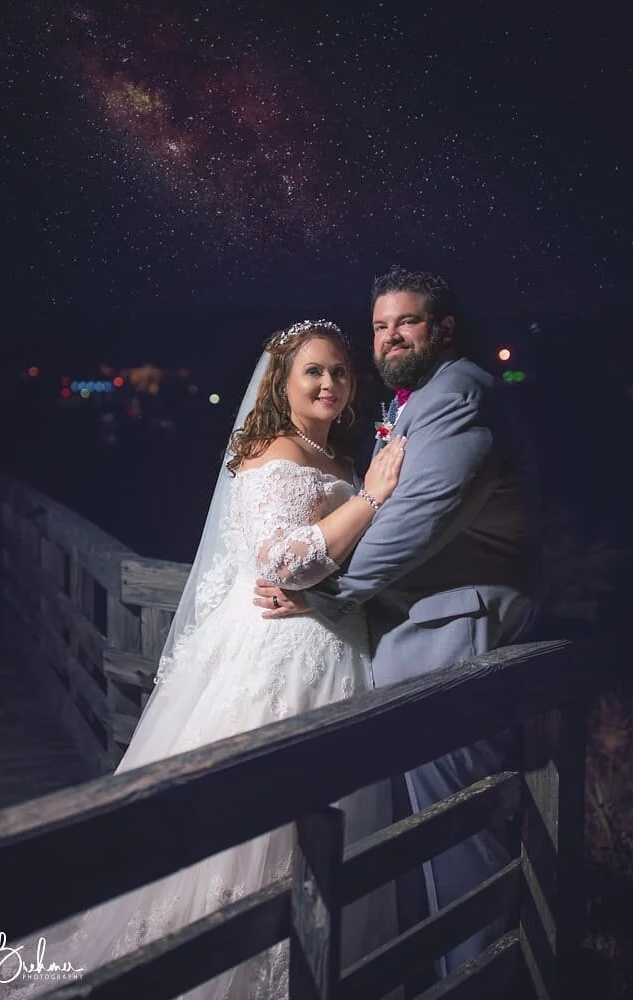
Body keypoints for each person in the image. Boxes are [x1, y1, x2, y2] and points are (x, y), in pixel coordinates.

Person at [0, 321, 405, 1000]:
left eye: (340, 372)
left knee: (329, 810)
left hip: (332, 649)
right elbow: (280, 561)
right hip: (276, 661)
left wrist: (338, 581)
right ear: (281, 382)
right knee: (265, 816)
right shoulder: (272, 453)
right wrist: (372, 499)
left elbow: (335, 567)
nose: (329, 384)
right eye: (313, 371)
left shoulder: (337, 457)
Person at [255, 269, 537, 979]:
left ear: (442, 328)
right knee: (424, 834)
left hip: (452, 632)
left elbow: (418, 518)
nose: (390, 336)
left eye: (406, 323)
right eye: (380, 327)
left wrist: (325, 593)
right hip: (414, 635)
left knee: (461, 832)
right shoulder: (413, 403)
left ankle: (478, 981)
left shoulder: (456, 396)